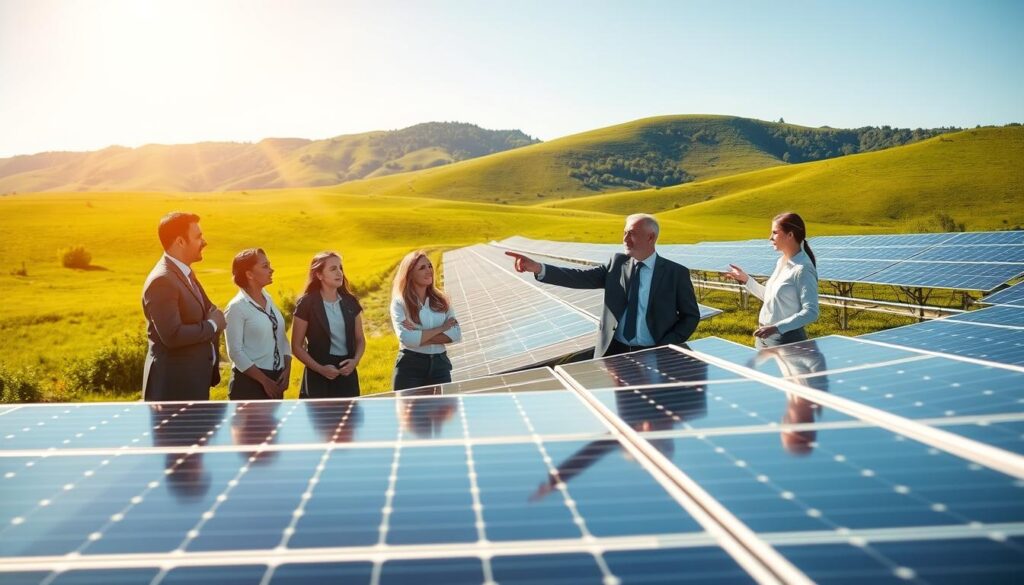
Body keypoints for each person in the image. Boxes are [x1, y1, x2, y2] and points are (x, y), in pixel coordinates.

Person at [506, 213, 700, 357]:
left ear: (651, 237)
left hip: (656, 353)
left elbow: (690, 316)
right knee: (621, 407)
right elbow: (579, 277)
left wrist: (666, 345)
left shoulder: (676, 273)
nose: (624, 240)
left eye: (631, 234)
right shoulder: (616, 265)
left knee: (652, 408)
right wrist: (538, 267)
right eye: (624, 233)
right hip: (614, 352)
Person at [141, 212, 225, 401]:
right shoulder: (162, 280)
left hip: (193, 383)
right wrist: (212, 326)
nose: (204, 242)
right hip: (173, 389)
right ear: (180, 241)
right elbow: (172, 335)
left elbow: (210, 310)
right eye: (198, 237)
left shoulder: (185, 273)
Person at [724, 212, 819, 348]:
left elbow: (811, 312)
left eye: (775, 233)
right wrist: (746, 279)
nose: (770, 238)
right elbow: (770, 297)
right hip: (765, 336)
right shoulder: (782, 262)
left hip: (786, 339)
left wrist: (776, 328)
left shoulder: (802, 269)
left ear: (790, 235)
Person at [291, 252, 365, 398]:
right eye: (333, 269)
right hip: (317, 379)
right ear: (319, 275)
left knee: (349, 420)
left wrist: (355, 362)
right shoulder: (306, 304)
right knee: (321, 420)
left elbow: (360, 339)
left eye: (340, 268)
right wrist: (321, 369)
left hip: (347, 375)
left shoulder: (351, 302)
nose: (339, 273)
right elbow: (296, 347)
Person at [224, 248, 291, 400]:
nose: (271, 270)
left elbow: (281, 337)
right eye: (265, 266)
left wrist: (287, 369)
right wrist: (264, 381)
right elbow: (235, 352)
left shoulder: (269, 299)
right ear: (249, 274)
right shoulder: (236, 307)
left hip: (276, 381)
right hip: (248, 385)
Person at [390, 251, 462, 390]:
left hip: (440, 368)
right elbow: (406, 339)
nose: (429, 270)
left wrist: (419, 335)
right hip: (410, 367)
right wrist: (442, 328)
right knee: (409, 412)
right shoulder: (400, 303)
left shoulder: (442, 300)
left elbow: (455, 334)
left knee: (443, 411)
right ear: (409, 274)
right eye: (422, 268)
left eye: (429, 266)